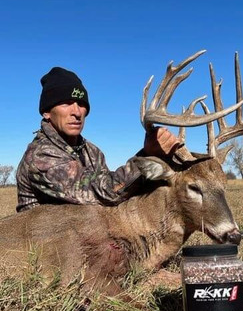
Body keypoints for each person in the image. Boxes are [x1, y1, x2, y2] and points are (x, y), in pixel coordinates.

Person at [16, 67, 180, 212]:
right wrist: (147, 156)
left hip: (85, 236)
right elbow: (103, 194)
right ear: (47, 112)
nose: (77, 112)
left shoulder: (92, 152)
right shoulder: (41, 156)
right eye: (66, 103)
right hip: (42, 243)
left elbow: (114, 196)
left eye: (81, 104)